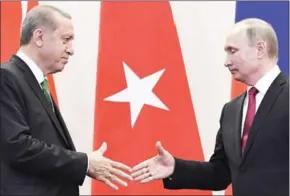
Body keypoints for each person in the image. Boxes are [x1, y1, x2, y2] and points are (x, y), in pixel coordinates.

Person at [131, 18, 289, 196]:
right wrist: (175, 167)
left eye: (233, 51)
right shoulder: (231, 110)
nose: (226, 61)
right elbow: (220, 173)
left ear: (260, 49)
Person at [0, 5, 132, 196]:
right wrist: (84, 163)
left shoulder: (34, 82)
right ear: (39, 37)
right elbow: (18, 147)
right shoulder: (7, 78)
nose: (71, 50)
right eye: (66, 40)